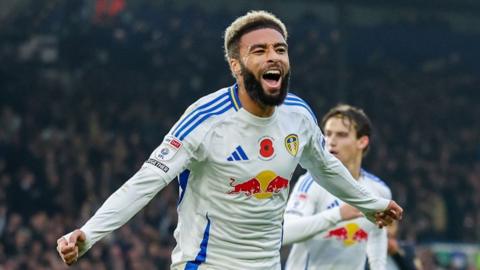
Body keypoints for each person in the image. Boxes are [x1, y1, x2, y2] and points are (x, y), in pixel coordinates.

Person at [57, 10, 402, 270]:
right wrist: (88, 234)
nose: (273, 57)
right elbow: (145, 182)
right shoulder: (206, 119)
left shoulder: (298, 115)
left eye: (280, 50)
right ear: (236, 67)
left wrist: (370, 205)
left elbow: (324, 166)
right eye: (260, 50)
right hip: (205, 264)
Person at [283, 104, 392, 270]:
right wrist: (338, 214)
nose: (331, 141)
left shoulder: (379, 190)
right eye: (327, 134)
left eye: (341, 135)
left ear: (362, 141)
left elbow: (377, 235)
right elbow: (285, 234)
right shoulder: (311, 182)